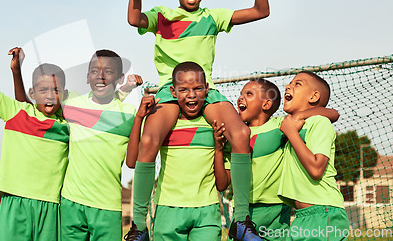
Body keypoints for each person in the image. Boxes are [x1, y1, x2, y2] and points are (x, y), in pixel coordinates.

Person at [125, 0, 270, 240]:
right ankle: (139, 225)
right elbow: (133, 18)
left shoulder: (213, 17)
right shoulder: (163, 16)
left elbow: (260, 11)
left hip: (206, 90)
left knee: (241, 135)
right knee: (150, 139)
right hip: (170, 89)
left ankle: (241, 220)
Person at [11, 49, 146, 240]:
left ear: (120, 77)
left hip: (108, 206)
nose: (100, 76)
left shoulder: (130, 113)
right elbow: (32, 109)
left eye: (108, 72)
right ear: (87, 77)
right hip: (71, 202)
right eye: (94, 71)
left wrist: (131, 101)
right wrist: (17, 71)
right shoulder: (71, 102)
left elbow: (133, 161)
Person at [0, 26, 69, 241]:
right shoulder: (16, 113)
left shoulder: (69, 126)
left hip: (51, 206)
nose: (49, 95)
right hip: (15, 200)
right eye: (43, 90)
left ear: (64, 94)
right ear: (32, 93)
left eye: (56, 90)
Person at [214, 78, 339, 240]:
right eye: (240, 94)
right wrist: (218, 149)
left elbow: (333, 113)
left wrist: (300, 115)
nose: (240, 98)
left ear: (266, 104)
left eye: (248, 94)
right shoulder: (233, 138)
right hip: (243, 213)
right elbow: (222, 183)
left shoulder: (280, 126)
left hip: (276, 212)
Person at [126, 62, 223, 241]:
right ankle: (138, 226)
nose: (191, 95)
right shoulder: (163, 126)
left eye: (198, 88)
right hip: (168, 210)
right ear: (173, 92)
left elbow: (223, 183)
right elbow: (132, 161)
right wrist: (139, 117)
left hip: (207, 211)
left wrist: (219, 149)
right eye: (184, 89)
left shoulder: (213, 125)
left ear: (207, 89)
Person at [278, 71, 349, 241]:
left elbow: (317, 169)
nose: (288, 86)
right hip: (303, 216)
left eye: (298, 84)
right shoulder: (293, 125)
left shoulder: (319, 122)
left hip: (323, 213)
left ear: (314, 96)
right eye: (290, 83)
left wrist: (292, 134)